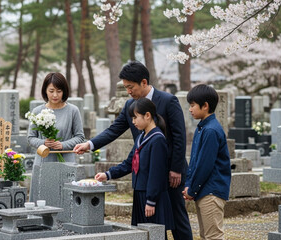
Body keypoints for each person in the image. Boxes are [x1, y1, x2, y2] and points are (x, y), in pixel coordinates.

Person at [74, 61, 193, 240]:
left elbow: (179, 137)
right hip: (145, 176)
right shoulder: (131, 105)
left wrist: (176, 169)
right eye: (126, 87)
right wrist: (90, 144)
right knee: (151, 222)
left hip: (170, 172)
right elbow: (114, 130)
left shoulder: (168, 100)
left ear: (143, 83)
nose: (128, 91)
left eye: (131, 87)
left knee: (176, 218)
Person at [95, 98, 174, 233]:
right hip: (139, 192)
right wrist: (108, 174)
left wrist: (151, 200)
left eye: (135, 117)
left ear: (147, 116)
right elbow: (129, 163)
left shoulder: (158, 139)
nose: (133, 122)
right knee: (141, 233)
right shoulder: (141, 137)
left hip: (152, 196)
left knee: (155, 234)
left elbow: (156, 173)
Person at [183, 84, 231, 240]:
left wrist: (192, 189)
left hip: (211, 190)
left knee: (213, 236)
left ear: (205, 106)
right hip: (204, 190)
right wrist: (189, 186)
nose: (190, 109)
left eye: (192, 105)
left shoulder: (210, 130)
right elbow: (195, 162)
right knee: (206, 236)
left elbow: (205, 165)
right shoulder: (203, 128)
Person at [27, 72, 85, 166]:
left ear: (64, 91)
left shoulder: (73, 110)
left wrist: (63, 145)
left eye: (59, 91)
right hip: (43, 161)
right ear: (45, 90)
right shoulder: (37, 111)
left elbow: (80, 137)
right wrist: (44, 142)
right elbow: (30, 138)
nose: (55, 95)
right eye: (51, 91)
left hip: (66, 161)